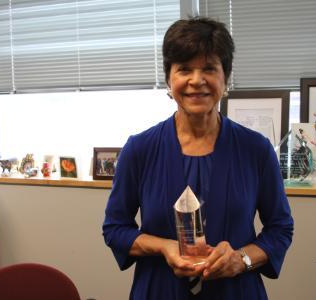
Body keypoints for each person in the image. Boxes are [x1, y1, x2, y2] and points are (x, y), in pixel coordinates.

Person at [102, 17, 294, 300]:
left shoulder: (256, 150)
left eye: (208, 68)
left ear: (225, 77)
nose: (196, 80)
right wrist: (164, 247)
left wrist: (241, 259)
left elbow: (280, 229)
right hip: (160, 290)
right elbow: (115, 229)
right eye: (184, 69)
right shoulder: (139, 149)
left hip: (236, 291)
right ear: (169, 78)